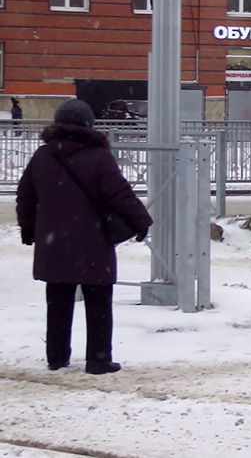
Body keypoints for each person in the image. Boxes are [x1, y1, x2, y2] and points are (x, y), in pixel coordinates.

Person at [16, 99, 152, 375]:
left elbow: (26, 197)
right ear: (89, 125)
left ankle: (56, 356)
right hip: (92, 243)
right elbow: (120, 194)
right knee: (98, 301)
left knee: (57, 301)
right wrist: (141, 222)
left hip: (53, 242)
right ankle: (98, 359)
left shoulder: (42, 156)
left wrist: (28, 229)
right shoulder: (98, 157)